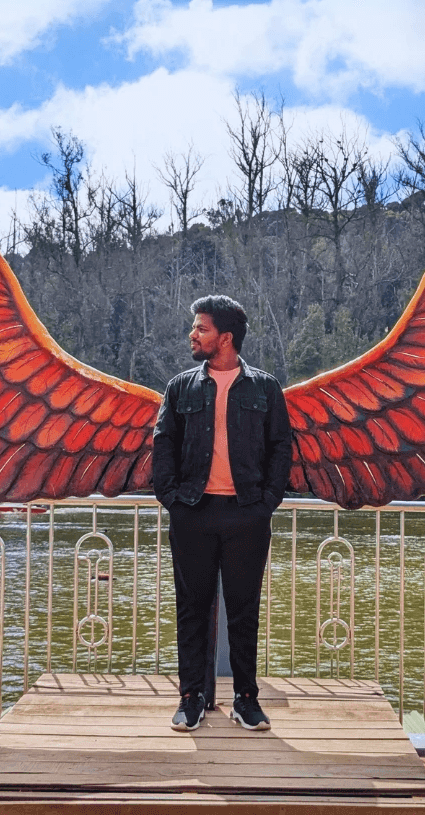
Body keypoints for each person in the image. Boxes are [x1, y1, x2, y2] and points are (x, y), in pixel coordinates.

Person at [152, 295, 292, 733]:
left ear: (225, 337)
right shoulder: (179, 388)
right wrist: (171, 497)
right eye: (195, 328)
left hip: (246, 514)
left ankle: (246, 700)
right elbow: (163, 444)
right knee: (190, 608)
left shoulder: (265, 388)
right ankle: (190, 698)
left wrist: (267, 501)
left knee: (244, 610)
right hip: (193, 512)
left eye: (202, 328)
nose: (192, 335)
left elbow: (281, 447)